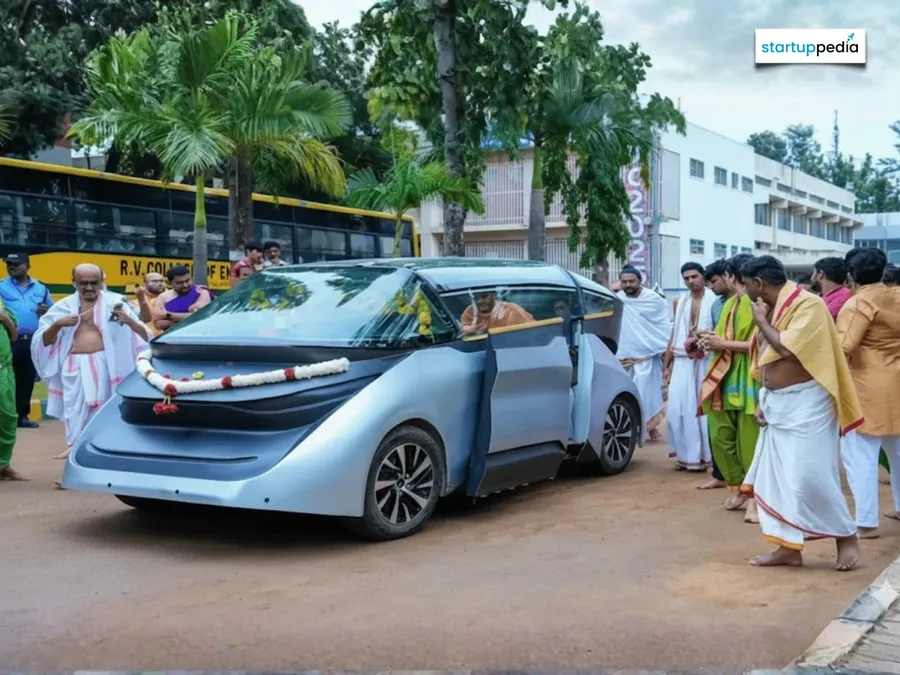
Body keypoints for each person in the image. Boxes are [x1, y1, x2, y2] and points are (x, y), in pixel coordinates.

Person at [740, 255, 860, 571]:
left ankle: (846, 536)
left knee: (811, 476)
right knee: (775, 480)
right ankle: (788, 548)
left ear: (759, 283)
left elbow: (789, 349)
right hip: (777, 404)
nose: (744, 291)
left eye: (746, 285)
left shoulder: (809, 306)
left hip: (810, 404)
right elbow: (764, 358)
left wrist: (761, 322)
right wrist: (764, 402)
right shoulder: (769, 308)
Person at [31, 265, 149, 482]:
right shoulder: (63, 307)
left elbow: (145, 333)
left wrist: (129, 320)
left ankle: (103, 466)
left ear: (101, 280)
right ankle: (75, 469)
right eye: (83, 283)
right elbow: (42, 342)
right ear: (73, 282)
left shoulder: (116, 303)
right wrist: (57, 325)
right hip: (73, 368)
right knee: (74, 417)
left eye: (94, 282)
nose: (89, 287)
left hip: (106, 366)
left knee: (103, 418)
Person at [836, 247, 900, 537]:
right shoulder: (896, 295)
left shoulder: (858, 303)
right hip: (896, 381)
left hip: (866, 387)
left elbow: (843, 348)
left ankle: (866, 522)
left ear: (851, 275)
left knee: (860, 456)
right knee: (897, 453)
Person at [698, 253, 760, 519]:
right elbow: (723, 338)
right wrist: (707, 340)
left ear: (729, 276)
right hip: (723, 378)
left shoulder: (758, 303)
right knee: (720, 437)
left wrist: (722, 344)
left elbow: (763, 344)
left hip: (750, 379)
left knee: (750, 442)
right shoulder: (729, 304)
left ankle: (756, 496)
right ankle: (737, 487)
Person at [665, 262, 716, 471]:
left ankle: (706, 458)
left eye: (694, 276)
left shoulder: (715, 301)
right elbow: (674, 332)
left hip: (706, 360)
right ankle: (686, 457)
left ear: (703, 277)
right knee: (677, 410)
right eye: (686, 278)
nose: (690, 281)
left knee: (702, 410)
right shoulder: (680, 301)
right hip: (682, 361)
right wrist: (666, 364)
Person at [616, 265, 669, 443]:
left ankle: (649, 428)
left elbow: (661, 327)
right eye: (624, 281)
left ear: (640, 281)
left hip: (647, 355)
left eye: (631, 281)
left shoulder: (654, 300)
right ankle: (632, 428)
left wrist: (660, 348)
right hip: (623, 356)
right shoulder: (617, 299)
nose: (627, 284)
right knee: (626, 393)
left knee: (647, 392)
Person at [0, 253, 53, 428]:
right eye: (9, 264)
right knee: (4, 378)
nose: (11, 267)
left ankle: (21, 416)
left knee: (26, 379)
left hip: (31, 340)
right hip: (7, 339)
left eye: (16, 264)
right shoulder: (1, 286)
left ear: (27, 266)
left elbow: (52, 311)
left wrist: (46, 312)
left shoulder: (41, 289)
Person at [0, 296, 24, 480]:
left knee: (8, 418)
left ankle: (4, 464)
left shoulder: (3, 306)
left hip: (4, 370)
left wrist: (4, 317)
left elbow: (14, 335)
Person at [152, 265, 212, 332]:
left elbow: (198, 316)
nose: (185, 285)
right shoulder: (163, 297)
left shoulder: (201, 292)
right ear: (169, 283)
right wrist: (187, 320)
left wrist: (168, 315)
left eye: (187, 281)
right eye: (180, 283)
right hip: (173, 337)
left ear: (191, 278)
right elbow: (158, 323)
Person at [459, 290, 533, 335]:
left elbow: (532, 333)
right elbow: (464, 335)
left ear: (493, 295)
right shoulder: (470, 312)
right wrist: (472, 331)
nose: (479, 301)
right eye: (476, 298)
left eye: (484, 297)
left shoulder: (511, 309)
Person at [128, 272, 166, 337]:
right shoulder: (135, 302)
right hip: (146, 339)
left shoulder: (171, 297)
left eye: (161, 281)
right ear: (145, 285)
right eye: (155, 281)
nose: (160, 284)